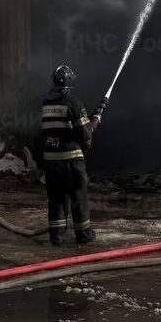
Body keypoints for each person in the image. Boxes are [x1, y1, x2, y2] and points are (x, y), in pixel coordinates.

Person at [40, 65, 97, 245]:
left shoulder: (46, 104)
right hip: (71, 161)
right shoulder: (73, 103)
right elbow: (84, 133)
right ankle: (83, 234)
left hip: (51, 162)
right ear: (68, 83)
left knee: (56, 198)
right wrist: (93, 123)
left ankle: (56, 235)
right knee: (78, 197)